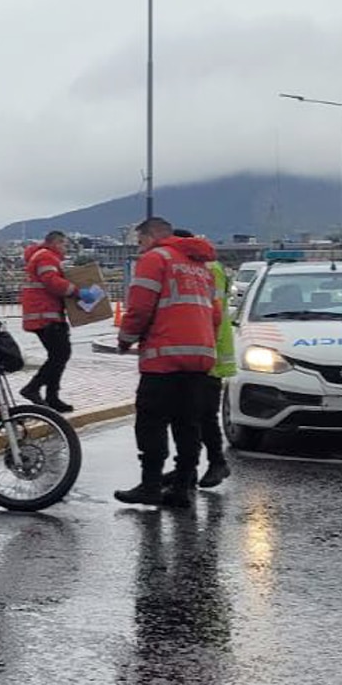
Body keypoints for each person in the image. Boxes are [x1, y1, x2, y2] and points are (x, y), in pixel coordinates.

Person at [114, 218, 220, 508]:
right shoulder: (200, 267)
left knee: (151, 421)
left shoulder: (155, 259)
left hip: (164, 356)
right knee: (188, 425)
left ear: (150, 237)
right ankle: (182, 488)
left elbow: (139, 308)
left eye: (139, 241)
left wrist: (125, 340)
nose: (139, 247)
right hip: (199, 358)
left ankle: (150, 485)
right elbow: (216, 314)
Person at [163, 229, 233, 490]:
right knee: (191, 414)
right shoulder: (208, 266)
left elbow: (206, 311)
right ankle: (188, 468)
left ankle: (216, 462)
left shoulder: (205, 269)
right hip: (207, 348)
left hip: (208, 350)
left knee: (202, 415)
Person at [19, 230, 100, 413]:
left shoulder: (43, 256)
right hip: (45, 315)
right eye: (64, 244)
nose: (66, 248)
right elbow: (52, 282)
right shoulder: (46, 257)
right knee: (60, 355)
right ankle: (33, 388)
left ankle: (51, 397)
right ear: (55, 243)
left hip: (45, 314)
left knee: (58, 355)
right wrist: (78, 292)